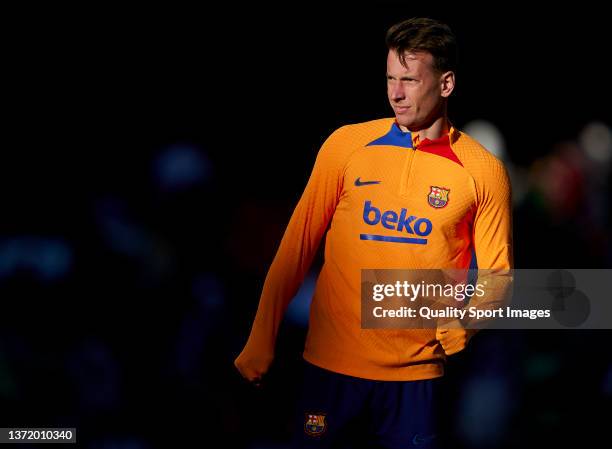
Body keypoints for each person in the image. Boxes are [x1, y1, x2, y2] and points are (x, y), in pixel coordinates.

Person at [235, 17, 513, 448]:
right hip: (328, 371)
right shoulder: (345, 146)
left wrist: (466, 321)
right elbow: (296, 247)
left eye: (410, 80)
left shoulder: (483, 171)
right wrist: (261, 336)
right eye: (390, 78)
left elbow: (499, 278)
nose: (395, 93)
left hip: (415, 383)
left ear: (446, 84)